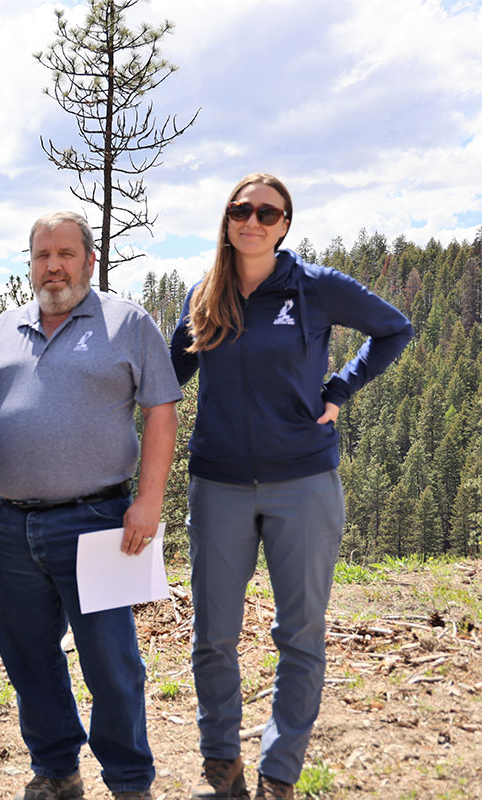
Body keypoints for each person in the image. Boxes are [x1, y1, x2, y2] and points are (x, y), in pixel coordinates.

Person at [170, 174, 413, 800]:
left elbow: (394, 329)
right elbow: (167, 374)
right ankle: (222, 771)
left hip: (302, 480)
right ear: (226, 218)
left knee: (299, 634)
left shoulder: (314, 286)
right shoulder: (205, 294)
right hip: (218, 484)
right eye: (240, 209)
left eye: (266, 212)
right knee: (212, 637)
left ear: (284, 224)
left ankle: (279, 775)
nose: (251, 221)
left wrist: (340, 390)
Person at [0, 210, 178, 800]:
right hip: (12, 526)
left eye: (65, 254)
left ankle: (129, 780)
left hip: (102, 519)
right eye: (42, 255)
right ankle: (56, 770)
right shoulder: (1, 329)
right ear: (29, 264)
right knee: (28, 659)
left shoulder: (127, 323)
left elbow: (161, 412)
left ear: (89, 260)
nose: (53, 266)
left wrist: (149, 502)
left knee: (111, 662)